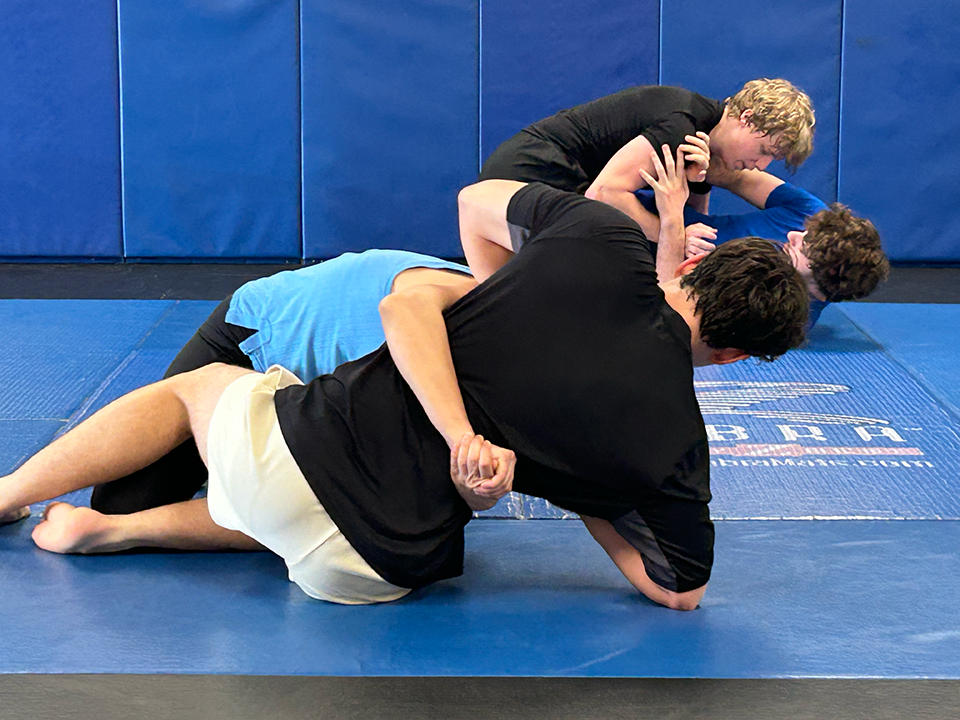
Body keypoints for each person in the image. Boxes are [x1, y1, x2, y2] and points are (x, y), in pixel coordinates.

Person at [0, 178, 809, 610]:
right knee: (312, 498)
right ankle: (116, 528)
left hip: (295, 462)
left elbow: (475, 203)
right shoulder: (673, 443)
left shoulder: (595, 242)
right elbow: (682, 589)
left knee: (207, 398)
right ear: (737, 357)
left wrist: (501, 314)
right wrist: (601, 490)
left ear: (695, 267)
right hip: (374, 572)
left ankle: (17, 496)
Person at [87, 249, 475, 516]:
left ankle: (125, 520)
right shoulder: (451, 303)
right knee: (124, 501)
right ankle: (26, 491)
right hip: (256, 336)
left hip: (313, 384)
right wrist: (459, 439)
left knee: (341, 506)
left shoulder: (486, 324)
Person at [478, 78, 815, 237]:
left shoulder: (700, 135)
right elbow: (604, 194)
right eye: (765, 151)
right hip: (525, 175)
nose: (761, 166)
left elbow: (687, 218)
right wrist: (675, 237)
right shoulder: (683, 124)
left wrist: (697, 184)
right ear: (747, 118)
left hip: (535, 178)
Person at [636, 166, 890, 324]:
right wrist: (697, 167)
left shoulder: (781, 311)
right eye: (805, 233)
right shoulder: (812, 214)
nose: (793, 235)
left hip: (639, 267)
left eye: (803, 248)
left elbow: (667, 316)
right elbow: (733, 175)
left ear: (820, 292)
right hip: (644, 213)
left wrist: (674, 235)